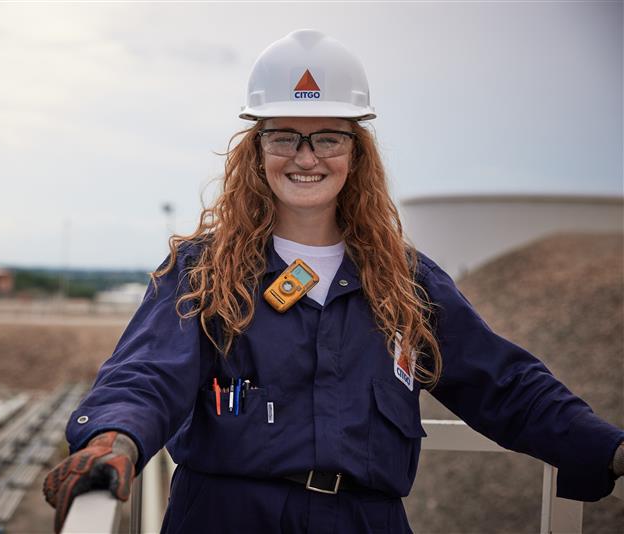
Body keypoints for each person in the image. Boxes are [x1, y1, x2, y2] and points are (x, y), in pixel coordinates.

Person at [43, 29, 624, 533]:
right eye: (284, 136)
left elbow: (504, 384)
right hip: (226, 516)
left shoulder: (404, 280)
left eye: (327, 137)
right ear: (257, 149)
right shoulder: (203, 271)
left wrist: (608, 448)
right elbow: (146, 374)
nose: (306, 157)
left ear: (355, 152)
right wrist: (110, 440)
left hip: (364, 523)